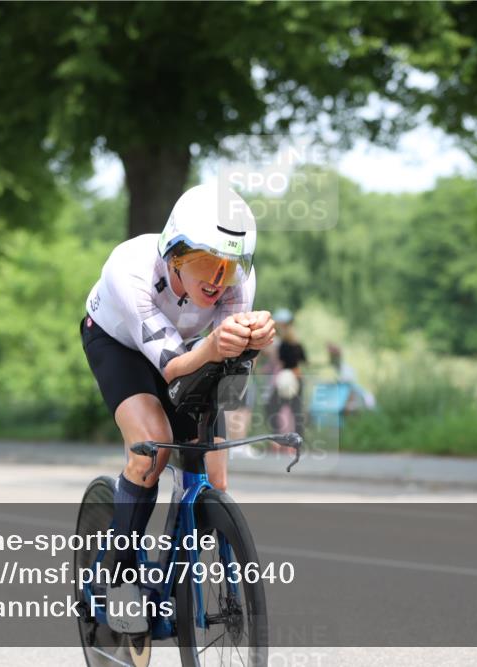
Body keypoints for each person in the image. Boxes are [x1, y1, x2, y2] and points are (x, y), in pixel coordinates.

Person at [81, 183, 275, 634]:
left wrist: (255, 341)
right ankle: (120, 575)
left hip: (193, 349)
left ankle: (181, 569)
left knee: (214, 474)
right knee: (151, 450)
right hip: (119, 343)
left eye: (231, 265)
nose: (218, 277)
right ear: (174, 253)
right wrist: (215, 344)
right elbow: (170, 368)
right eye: (206, 262)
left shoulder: (237, 281)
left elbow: (228, 366)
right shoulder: (129, 269)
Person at [268, 308, 306, 443]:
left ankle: (277, 436)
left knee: (273, 405)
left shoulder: (282, 344)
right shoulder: (298, 344)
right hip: (297, 378)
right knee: (297, 410)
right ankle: (299, 439)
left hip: (285, 379)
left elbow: (279, 361)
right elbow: (304, 360)